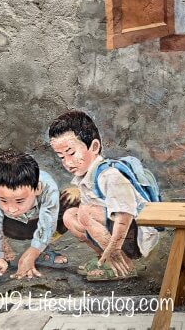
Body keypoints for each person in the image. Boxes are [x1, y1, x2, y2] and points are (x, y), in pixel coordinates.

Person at [48, 110, 160, 281]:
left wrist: (114, 248)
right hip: (117, 231)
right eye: (61, 157)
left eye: (71, 153)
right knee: (70, 216)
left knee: (85, 212)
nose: (67, 162)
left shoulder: (109, 175)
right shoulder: (85, 177)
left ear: (94, 147)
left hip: (134, 234)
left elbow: (125, 215)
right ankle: (106, 260)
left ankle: (124, 264)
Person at [0, 150, 79, 279]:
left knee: (74, 195)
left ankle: (42, 251)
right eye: (4, 200)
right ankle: (3, 248)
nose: (11, 209)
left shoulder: (47, 187)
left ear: (37, 189)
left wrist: (32, 253)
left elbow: (47, 224)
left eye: (19, 201)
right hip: (8, 226)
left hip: (40, 225)